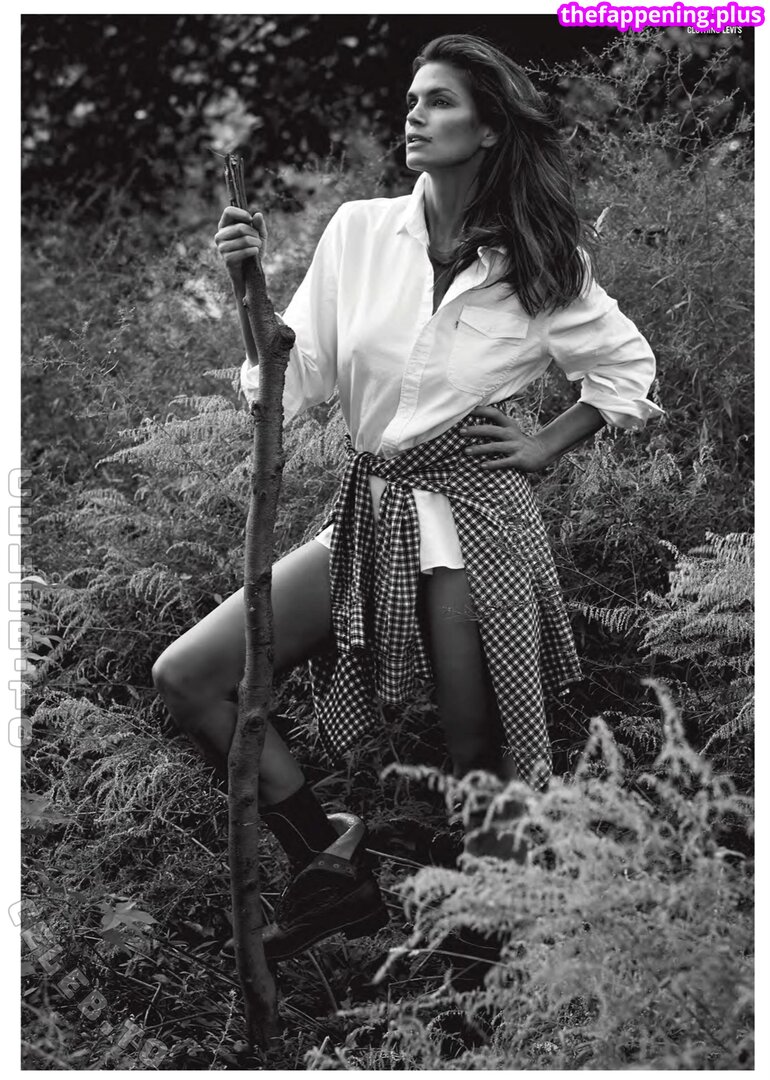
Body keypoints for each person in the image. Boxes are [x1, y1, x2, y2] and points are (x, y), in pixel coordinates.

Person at [153, 34, 662, 964]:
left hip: (476, 525)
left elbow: (626, 369)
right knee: (190, 675)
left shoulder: (540, 261)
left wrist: (544, 445)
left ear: (490, 129)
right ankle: (330, 863)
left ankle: (495, 971)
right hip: (370, 510)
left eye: (439, 102)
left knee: (482, 760)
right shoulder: (359, 231)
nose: (415, 115)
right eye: (413, 100)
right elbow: (288, 380)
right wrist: (248, 290)